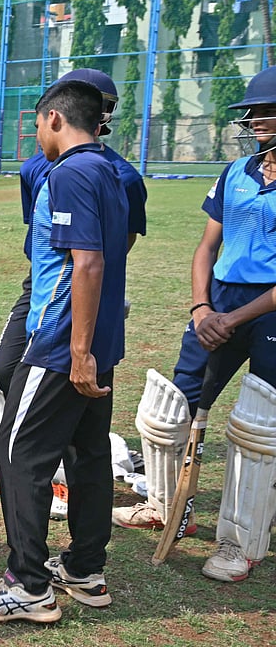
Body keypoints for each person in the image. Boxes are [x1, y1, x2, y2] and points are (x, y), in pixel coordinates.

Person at [0, 78, 128, 624]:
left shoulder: (71, 172)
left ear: (54, 119)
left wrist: (75, 351)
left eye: (36, 124)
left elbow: (89, 263)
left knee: (16, 449)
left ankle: (27, 584)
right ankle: (84, 569)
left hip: (59, 342)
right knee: (88, 451)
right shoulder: (115, 170)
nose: (36, 135)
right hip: (101, 338)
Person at [111, 66, 276, 583]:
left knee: (258, 428)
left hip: (268, 310)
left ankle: (241, 543)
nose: (253, 121)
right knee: (167, 411)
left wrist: (235, 317)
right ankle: (165, 506)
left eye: (263, 112)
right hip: (219, 301)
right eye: (253, 113)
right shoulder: (237, 171)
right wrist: (202, 310)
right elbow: (207, 247)